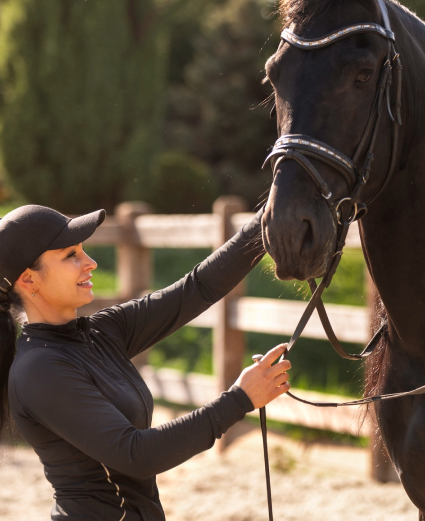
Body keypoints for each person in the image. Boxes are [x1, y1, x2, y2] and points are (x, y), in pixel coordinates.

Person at [0, 204, 291, 520]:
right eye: (71, 255)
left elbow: (199, 287)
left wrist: (271, 214)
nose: (91, 263)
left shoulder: (101, 332)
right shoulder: (40, 370)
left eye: (84, 251)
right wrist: (239, 400)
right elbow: (136, 454)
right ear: (28, 280)